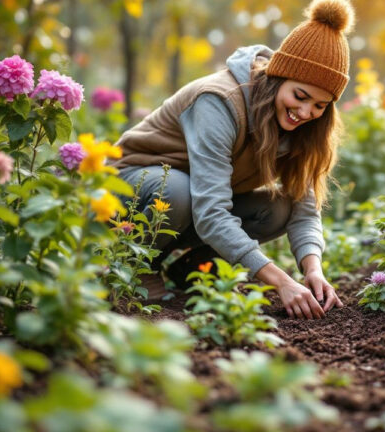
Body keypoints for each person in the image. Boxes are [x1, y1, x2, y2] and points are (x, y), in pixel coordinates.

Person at [113, 0, 354, 320]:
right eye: (300, 96)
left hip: (188, 203)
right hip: (131, 190)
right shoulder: (219, 102)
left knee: (278, 207)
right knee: (176, 191)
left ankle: (192, 265)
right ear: (280, 76)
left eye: (321, 105)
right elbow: (210, 210)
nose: (307, 113)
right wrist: (279, 280)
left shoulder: (302, 126)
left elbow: (304, 208)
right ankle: (134, 267)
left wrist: (313, 269)